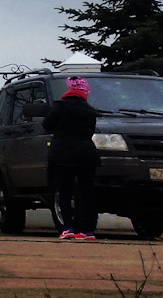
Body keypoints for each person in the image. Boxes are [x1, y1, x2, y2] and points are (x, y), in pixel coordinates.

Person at [44, 75, 101, 241]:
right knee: (87, 192)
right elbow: (89, 131)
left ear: (69, 90)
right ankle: (88, 230)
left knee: (65, 191)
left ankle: (67, 227)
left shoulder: (59, 106)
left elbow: (47, 125)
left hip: (63, 153)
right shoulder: (90, 110)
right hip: (86, 154)